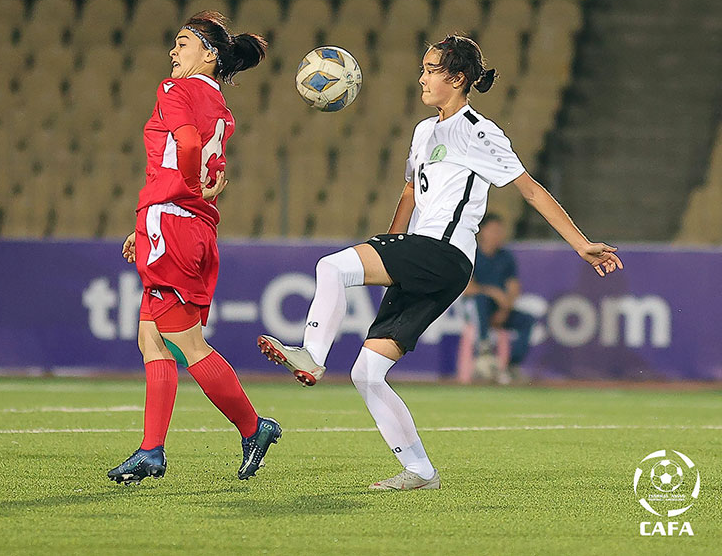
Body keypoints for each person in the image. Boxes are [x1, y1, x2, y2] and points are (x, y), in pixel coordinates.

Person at [257, 34, 622, 491]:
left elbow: (529, 189)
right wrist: (392, 241)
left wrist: (581, 244)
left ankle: (311, 355)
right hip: (425, 254)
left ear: (458, 78)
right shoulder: (424, 130)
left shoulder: (478, 131)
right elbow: (410, 192)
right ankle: (420, 470)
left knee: (332, 268)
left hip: (445, 254)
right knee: (367, 373)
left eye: (431, 69)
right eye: (424, 68)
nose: (422, 77)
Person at [108, 11, 281, 485]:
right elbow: (207, 171)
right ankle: (151, 451)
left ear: (210, 53)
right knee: (151, 338)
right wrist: (149, 219)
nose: (173, 52)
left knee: (185, 341)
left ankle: (253, 427)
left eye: (182, 43)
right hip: (190, 227)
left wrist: (173, 195)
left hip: (174, 223)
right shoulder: (222, 109)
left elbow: (183, 146)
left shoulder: (175, 89)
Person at [465, 213, 536, 382]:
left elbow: (514, 287)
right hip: (473, 309)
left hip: (499, 309)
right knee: (479, 301)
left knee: (527, 320)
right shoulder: (471, 253)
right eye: (494, 230)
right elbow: (467, 289)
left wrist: (505, 309)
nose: (498, 235)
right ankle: (484, 351)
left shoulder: (506, 257)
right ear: (482, 231)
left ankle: (513, 365)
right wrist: (493, 293)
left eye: (500, 231)